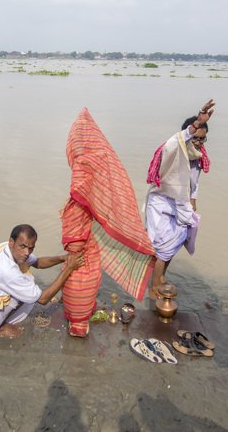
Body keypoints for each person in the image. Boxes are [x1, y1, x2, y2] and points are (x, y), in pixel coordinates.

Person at [60, 108, 156, 337]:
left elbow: (79, 191)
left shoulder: (83, 167)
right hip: (81, 233)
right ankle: (81, 315)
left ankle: (78, 316)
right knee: (85, 266)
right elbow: (92, 194)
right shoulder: (97, 163)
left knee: (76, 267)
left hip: (77, 232)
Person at [144, 99, 215, 298]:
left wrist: (193, 204)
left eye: (203, 139)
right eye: (196, 138)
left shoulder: (198, 156)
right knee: (162, 246)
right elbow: (180, 139)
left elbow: (194, 183)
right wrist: (197, 124)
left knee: (178, 239)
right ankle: (154, 287)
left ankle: (161, 276)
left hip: (181, 203)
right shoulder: (174, 148)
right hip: (162, 202)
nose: (199, 143)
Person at [0, 224, 84, 338]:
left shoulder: (6, 248)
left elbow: (37, 262)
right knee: (27, 294)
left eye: (31, 248)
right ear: (11, 242)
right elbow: (43, 299)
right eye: (23, 247)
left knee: (25, 284)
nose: (27, 253)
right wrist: (69, 268)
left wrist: (63, 258)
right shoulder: (7, 271)